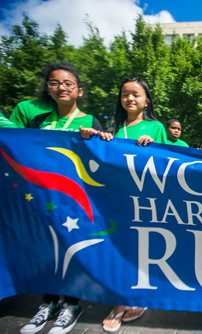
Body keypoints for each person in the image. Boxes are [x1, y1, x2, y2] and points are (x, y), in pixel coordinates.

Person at [20, 63, 102, 334]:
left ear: (79, 90)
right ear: (47, 88)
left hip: (76, 199)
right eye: (54, 83)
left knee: (72, 249)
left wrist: (95, 140)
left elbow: (101, 159)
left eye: (68, 83)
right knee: (46, 251)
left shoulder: (91, 122)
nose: (61, 88)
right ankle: (48, 303)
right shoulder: (38, 122)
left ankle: (71, 304)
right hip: (42, 197)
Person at [80, 78, 167, 332]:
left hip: (146, 199)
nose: (130, 99)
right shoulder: (114, 127)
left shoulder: (156, 127)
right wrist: (97, 139)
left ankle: (136, 298)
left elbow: (167, 162)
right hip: (117, 198)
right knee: (120, 249)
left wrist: (152, 147)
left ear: (146, 100)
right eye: (125, 94)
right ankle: (119, 302)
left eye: (136, 94)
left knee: (141, 250)